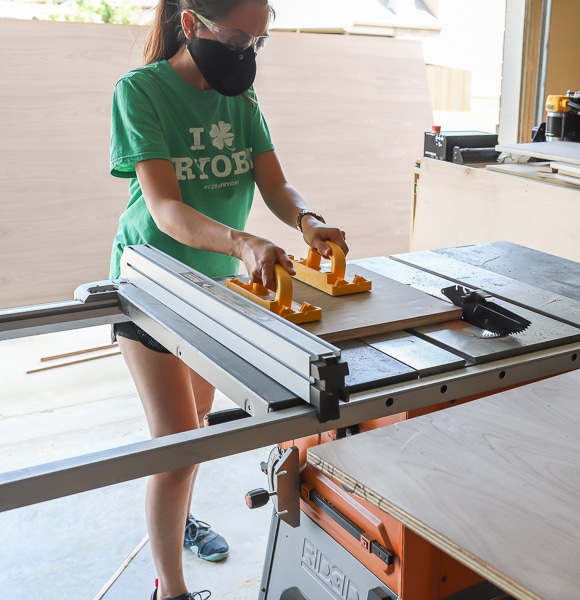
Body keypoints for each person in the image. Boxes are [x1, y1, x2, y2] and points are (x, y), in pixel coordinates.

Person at [107, 1, 349, 598]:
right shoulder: (141, 92)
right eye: (239, 37)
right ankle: (172, 590)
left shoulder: (241, 100)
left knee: (197, 434)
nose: (246, 52)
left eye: (257, 42)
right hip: (156, 286)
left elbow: (272, 180)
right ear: (192, 24)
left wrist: (306, 219)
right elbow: (164, 209)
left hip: (219, 289)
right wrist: (242, 241)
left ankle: (178, 519)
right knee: (179, 446)